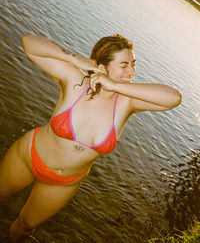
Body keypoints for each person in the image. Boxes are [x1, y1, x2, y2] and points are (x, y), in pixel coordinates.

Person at [0, 34, 182, 242]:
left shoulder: (127, 101)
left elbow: (173, 98)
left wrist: (114, 86)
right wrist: (75, 59)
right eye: (124, 65)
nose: (131, 71)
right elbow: (29, 43)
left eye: (133, 64)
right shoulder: (76, 81)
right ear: (103, 67)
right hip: (29, 156)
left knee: (25, 226)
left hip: (63, 183)